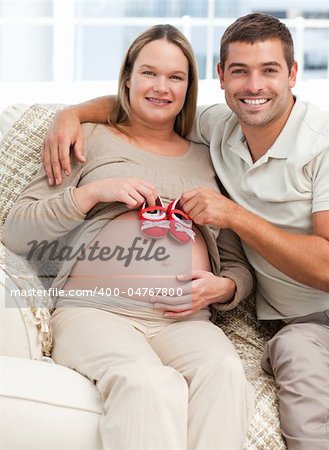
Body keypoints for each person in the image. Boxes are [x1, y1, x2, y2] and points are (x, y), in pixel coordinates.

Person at [39, 13, 329, 450]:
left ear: (292, 74)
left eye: (269, 70)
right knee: (313, 432)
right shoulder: (219, 127)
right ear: (221, 77)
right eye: (239, 71)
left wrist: (233, 216)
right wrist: (71, 115)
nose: (254, 86)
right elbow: (150, 100)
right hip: (295, 325)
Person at [2, 24, 256, 450]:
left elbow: (237, 265)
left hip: (184, 321)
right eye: (149, 73)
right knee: (146, 383)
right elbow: (16, 232)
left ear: (189, 87)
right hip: (96, 313)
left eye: (175, 77)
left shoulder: (208, 157)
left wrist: (224, 287)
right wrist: (91, 193)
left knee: (225, 373)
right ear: (127, 79)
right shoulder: (89, 140)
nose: (161, 87)